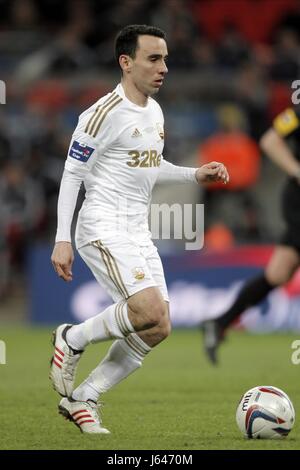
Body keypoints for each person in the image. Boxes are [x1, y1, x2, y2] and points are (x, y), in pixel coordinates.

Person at [50, 24, 229, 434]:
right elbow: (71, 175)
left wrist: (194, 174)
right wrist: (63, 238)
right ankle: (72, 337)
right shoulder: (101, 115)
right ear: (126, 63)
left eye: (165, 58)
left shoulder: (154, 111)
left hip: (137, 230)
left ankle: (84, 397)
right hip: (102, 226)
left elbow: (150, 164)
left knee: (159, 325)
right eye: (153, 58)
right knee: (145, 309)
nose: (163, 67)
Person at [202, 105, 300, 365]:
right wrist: (296, 170)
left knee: (279, 272)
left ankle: (219, 321)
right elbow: (270, 140)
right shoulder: (297, 114)